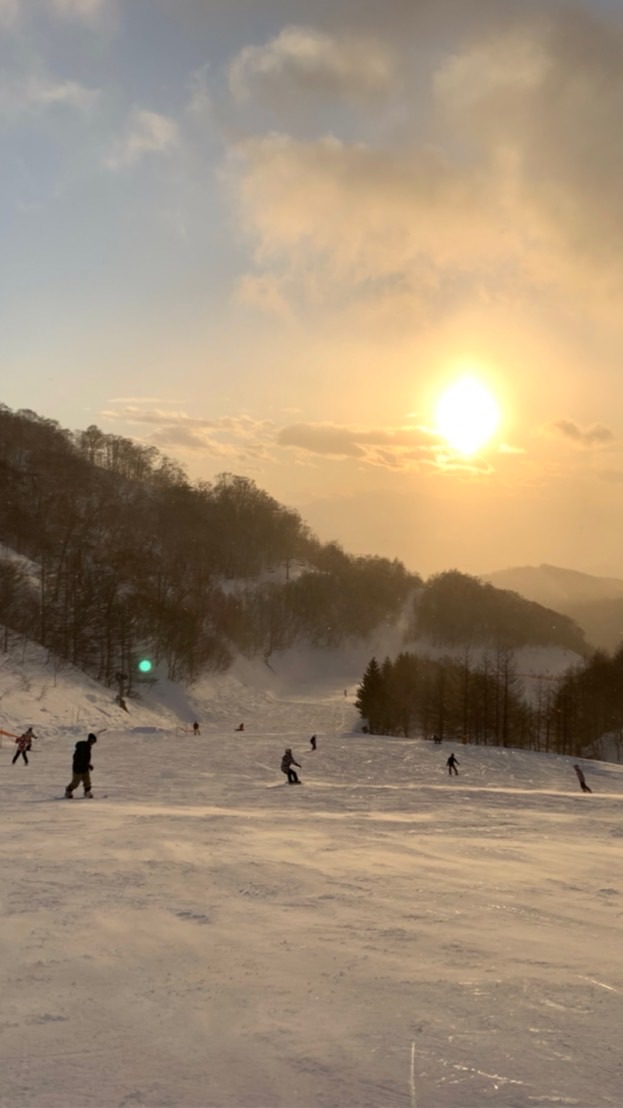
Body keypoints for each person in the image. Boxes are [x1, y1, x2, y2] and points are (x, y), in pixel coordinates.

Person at [65, 733, 97, 798]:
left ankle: (87, 792)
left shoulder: (88, 748)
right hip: (78, 768)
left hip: (84, 768)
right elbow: (76, 757)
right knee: (75, 783)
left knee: (87, 781)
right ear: (91, 740)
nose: (93, 744)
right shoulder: (82, 748)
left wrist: (88, 765)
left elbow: (85, 759)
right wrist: (80, 764)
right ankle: (68, 790)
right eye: (93, 742)